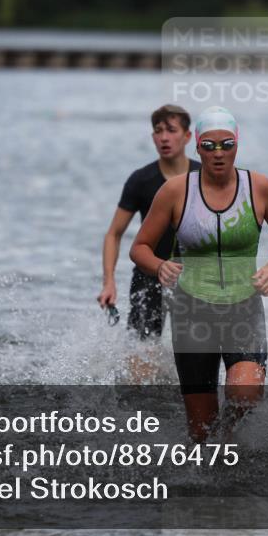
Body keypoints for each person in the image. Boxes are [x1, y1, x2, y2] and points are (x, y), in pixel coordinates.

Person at [130, 106, 268, 442]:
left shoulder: (260, 187)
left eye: (226, 145)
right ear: (197, 148)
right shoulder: (176, 191)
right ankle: (215, 465)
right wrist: (160, 265)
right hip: (192, 313)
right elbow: (139, 247)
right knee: (200, 431)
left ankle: (231, 432)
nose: (218, 153)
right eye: (209, 146)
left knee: (245, 394)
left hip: (243, 308)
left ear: (237, 144)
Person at [96, 105, 200, 354]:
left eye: (171, 130)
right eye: (158, 131)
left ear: (187, 136)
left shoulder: (204, 176)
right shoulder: (141, 180)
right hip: (149, 275)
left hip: (196, 277)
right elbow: (114, 233)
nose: (164, 137)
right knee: (142, 356)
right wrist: (108, 281)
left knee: (197, 351)